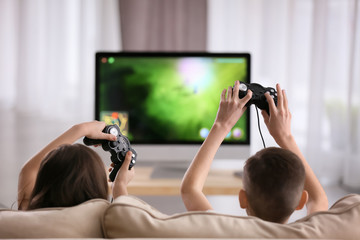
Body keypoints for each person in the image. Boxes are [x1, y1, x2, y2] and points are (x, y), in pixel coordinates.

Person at [181, 80, 329, 224]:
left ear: (242, 199)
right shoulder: (310, 234)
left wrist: (222, 125)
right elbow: (319, 199)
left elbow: (189, 190)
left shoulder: (226, 234)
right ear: (301, 200)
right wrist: (285, 137)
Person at [17, 121, 135, 210]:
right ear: (97, 188)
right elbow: (126, 221)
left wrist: (80, 129)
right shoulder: (103, 228)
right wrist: (120, 186)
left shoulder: (28, 217)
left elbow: (29, 171)